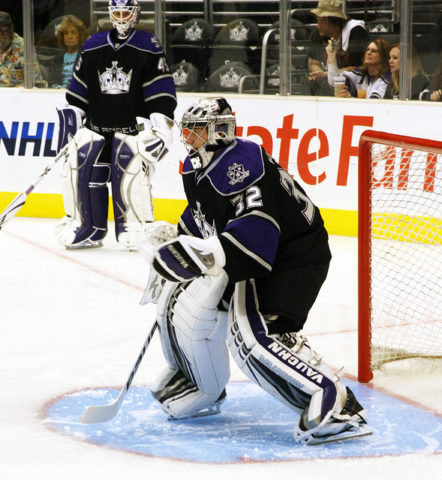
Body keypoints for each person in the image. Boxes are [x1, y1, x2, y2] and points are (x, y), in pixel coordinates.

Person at [138, 97, 372, 445]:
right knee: (179, 301)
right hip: (264, 254)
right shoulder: (199, 165)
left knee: (252, 337)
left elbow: (259, 237)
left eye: (198, 130)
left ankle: (336, 403)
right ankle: (198, 381)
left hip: (293, 258)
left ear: (219, 130)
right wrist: (178, 238)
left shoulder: (241, 165)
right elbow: (206, 213)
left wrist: (203, 254)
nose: (189, 136)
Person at [55, 0, 177, 250]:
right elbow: (80, 91)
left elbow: (159, 88)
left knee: (130, 173)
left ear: (135, 14)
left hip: (131, 129)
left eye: (125, 12)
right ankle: (88, 226)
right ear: (110, 14)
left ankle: (135, 226)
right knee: (83, 168)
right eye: (116, 12)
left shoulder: (147, 44)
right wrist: (73, 116)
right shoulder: (93, 44)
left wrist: (161, 121)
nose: (121, 18)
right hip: (98, 126)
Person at [307, 0, 370, 96]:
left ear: (334, 20)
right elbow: (313, 63)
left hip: (352, 89)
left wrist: (327, 75)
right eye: (317, 21)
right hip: (326, 89)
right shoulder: (318, 33)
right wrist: (318, 74)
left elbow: (359, 67)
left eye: (322, 22)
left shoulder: (355, 32)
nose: (318, 26)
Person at [327, 38, 391, 98]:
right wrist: (331, 56)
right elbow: (335, 81)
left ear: (383, 56)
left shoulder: (387, 78)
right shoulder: (360, 74)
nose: (368, 53)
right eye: (367, 49)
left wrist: (350, 99)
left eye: (373, 51)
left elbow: (373, 105)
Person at [0, 11, 43, 87]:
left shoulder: (24, 47)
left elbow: (35, 81)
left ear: (12, 28)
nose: (1, 34)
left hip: (17, 96)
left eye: (4, 30)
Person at [52, 15, 88, 88]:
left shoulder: (85, 56)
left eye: (73, 32)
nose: (69, 36)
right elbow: (52, 82)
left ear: (80, 35)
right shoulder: (57, 59)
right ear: (62, 36)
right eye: (66, 33)